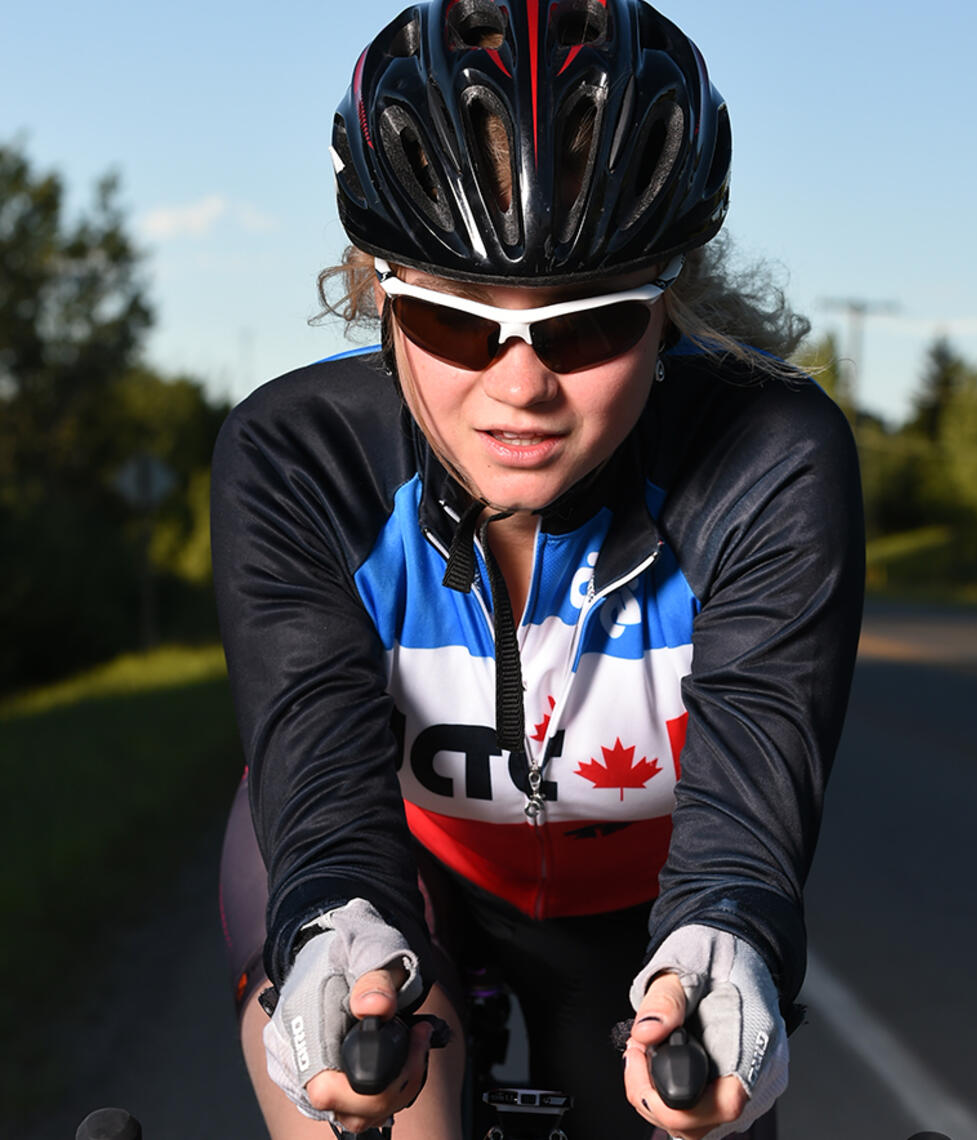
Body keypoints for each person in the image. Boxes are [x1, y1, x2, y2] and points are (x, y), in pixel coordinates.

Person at [212, 2, 864, 1138]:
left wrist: (725, 942)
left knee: (696, 1091)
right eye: (457, 327)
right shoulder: (297, 454)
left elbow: (752, 799)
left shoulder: (772, 454)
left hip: (656, 894)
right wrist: (337, 939)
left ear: (671, 306)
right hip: (401, 864)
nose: (519, 387)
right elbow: (319, 771)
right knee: (358, 1092)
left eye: (588, 328)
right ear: (379, 295)